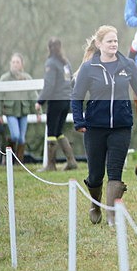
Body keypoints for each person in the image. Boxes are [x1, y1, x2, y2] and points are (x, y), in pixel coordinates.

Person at [71, 25, 137, 226]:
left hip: (121, 127)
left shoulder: (128, 65)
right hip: (95, 128)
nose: (113, 44)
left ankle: (112, 215)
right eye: (109, 41)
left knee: (115, 172)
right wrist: (79, 121)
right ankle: (95, 205)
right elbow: (76, 97)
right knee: (95, 175)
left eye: (115, 41)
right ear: (99, 44)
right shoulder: (88, 68)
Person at [36, 37, 78, 171]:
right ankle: (71, 161)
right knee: (59, 131)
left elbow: (49, 85)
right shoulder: (66, 63)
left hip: (56, 101)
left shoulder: (51, 63)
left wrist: (40, 101)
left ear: (49, 48)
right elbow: (71, 81)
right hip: (66, 100)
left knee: (52, 132)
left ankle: (50, 164)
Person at [0, 53, 38, 165]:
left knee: (22, 139)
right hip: (10, 112)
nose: (15, 64)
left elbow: (33, 96)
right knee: (15, 135)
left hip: (24, 111)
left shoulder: (27, 78)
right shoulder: (4, 78)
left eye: (17, 62)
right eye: (13, 62)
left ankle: (19, 163)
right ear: (10, 64)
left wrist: (38, 112)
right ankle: (8, 158)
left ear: (22, 64)